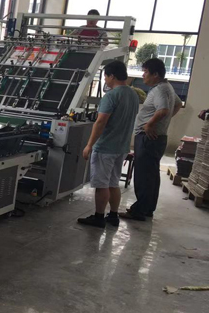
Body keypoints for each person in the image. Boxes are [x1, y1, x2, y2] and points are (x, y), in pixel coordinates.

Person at [78, 60, 139, 228]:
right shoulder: (133, 95)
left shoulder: (111, 96)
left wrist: (89, 145)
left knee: (101, 185)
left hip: (105, 147)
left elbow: (100, 122)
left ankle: (98, 217)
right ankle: (113, 216)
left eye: (105, 76)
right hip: (122, 147)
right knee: (113, 183)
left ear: (112, 76)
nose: (105, 79)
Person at [120, 58, 183, 221]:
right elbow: (177, 104)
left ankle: (139, 210)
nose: (143, 75)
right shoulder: (167, 87)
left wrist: (149, 124)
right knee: (151, 175)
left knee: (143, 175)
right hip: (157, 138)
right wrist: (163, 121)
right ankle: (147, 208)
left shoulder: (160, 90)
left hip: (148, 138)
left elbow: (163, 110)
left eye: (146, 72)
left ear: (155, 74)